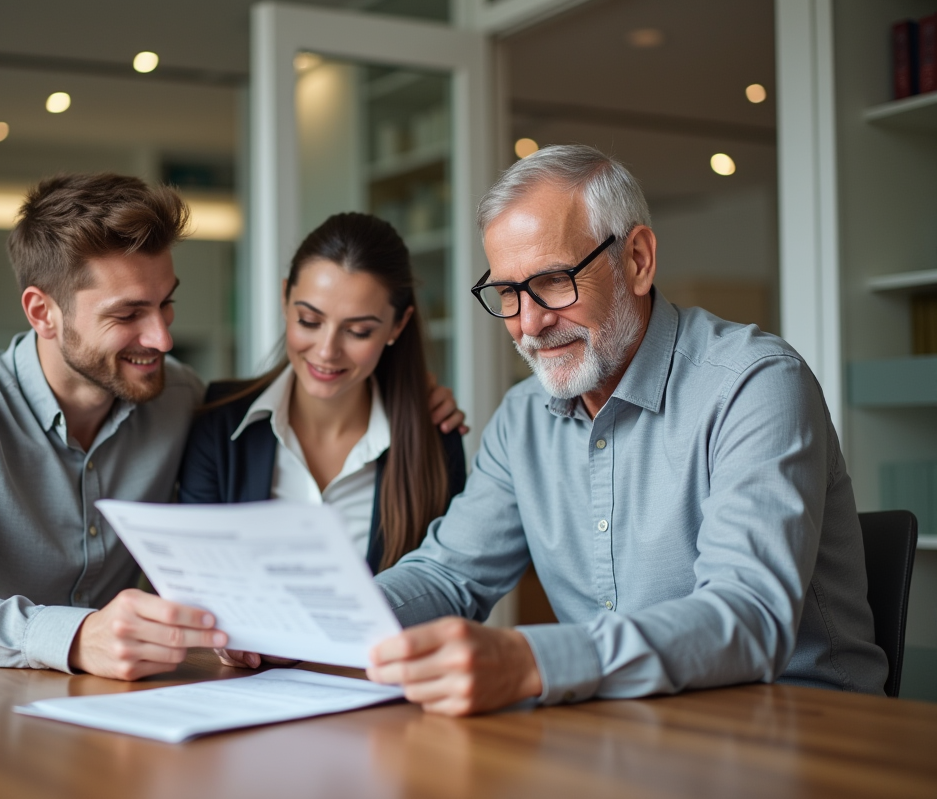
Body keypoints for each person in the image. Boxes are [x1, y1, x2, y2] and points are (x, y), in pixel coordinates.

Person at [0, 173, 464, 680]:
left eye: (166, 303)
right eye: (128, 314)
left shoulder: (181, 399)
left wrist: (413, 396)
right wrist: (77, 637)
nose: (163, 339)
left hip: (92, 706)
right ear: (42, 312)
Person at [364, 144, 888, 716]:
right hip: (627, 733)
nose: (530, 323)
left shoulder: (755, 383)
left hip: (805, 736)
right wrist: (306, 627)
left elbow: (748, 615)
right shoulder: (522, 419)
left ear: (637, 259)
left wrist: (534, 662)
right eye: (509, 294)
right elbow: (446, 576)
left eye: (553, 281)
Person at [179, 213, 466, 668]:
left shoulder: (434, 440)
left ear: (397, 326)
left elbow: (450, 593)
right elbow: (191, 580)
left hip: (373, 710)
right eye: (309, 320)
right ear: (284, 298)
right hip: (237, 695)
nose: (327, 351)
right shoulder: (218, 421)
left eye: (358, 331)